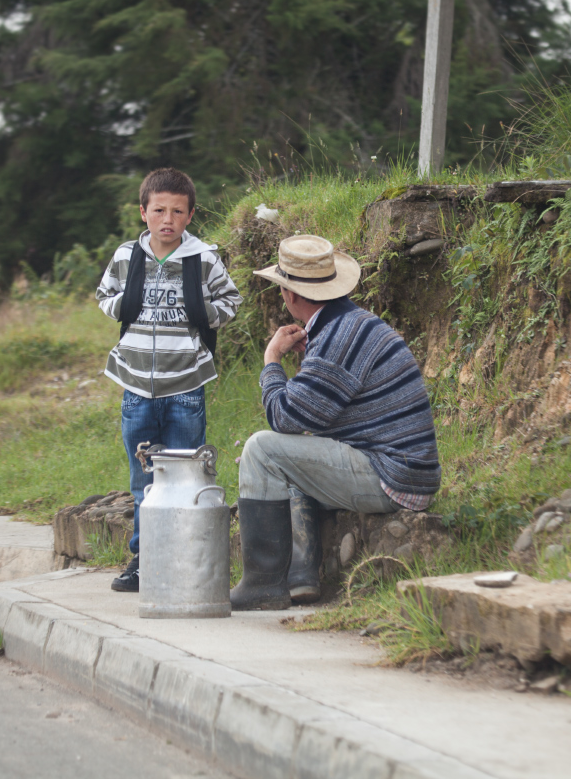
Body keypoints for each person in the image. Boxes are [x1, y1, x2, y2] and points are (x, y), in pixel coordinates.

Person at [230, 234, 441, 611]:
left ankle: (263, 584)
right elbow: (314, 419)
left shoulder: (336, 338)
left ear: (290, 295)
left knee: (261, 449)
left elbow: (284, 418)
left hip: (390, 477)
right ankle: (300, 577)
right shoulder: (350, 325)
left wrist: (272, 360)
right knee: (280, 458)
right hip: (402, 470)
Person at [96, 168, 242, 592]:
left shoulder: (204, 259)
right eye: (159, 210)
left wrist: (203, 313)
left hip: (186, 386)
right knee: (144, 480)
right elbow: (104, 296)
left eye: (178, 211)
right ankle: (145, 562)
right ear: (143, 212)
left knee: (186, 477)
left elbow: (230, 301)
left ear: (190, 215)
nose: (167, 219)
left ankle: (185, 561)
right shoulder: (127, 256)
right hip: (136, 386)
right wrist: (128, 302)